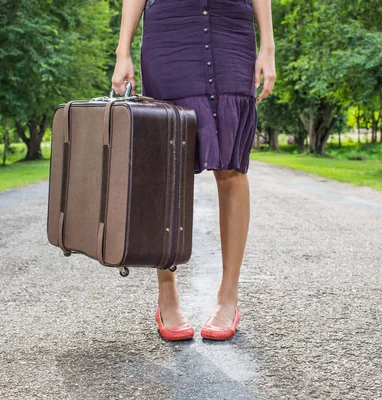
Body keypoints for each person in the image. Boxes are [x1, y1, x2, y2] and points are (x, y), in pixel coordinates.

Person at [112, 0, 276, 341]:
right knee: (168, 169)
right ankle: (167, 295)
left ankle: (228, 297)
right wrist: (122, 50)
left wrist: (268, 46)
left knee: (231, 166)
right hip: (170, 29)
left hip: (232, 27)